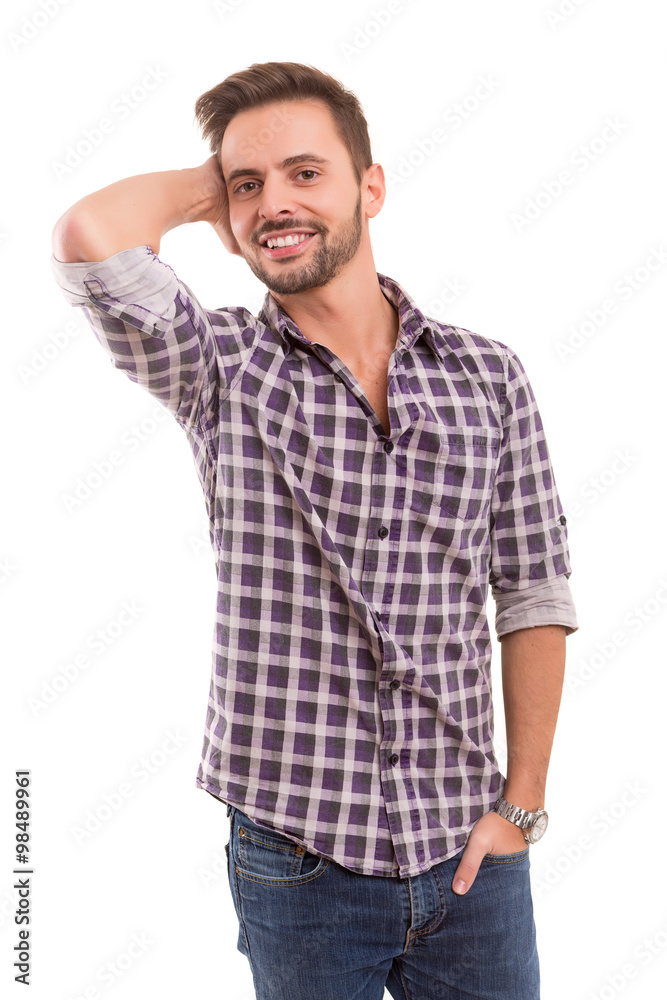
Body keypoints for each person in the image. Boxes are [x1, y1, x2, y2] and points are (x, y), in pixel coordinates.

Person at [51, 60, 578, 1000]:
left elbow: (532, 589)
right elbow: (90, 237)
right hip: (299, 857)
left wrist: (522, 804)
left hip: (470, 850)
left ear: (371, 187)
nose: (273, 203)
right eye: (248, 186)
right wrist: (221, 187)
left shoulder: (489, 376)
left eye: (306, 173)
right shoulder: (219, 364)